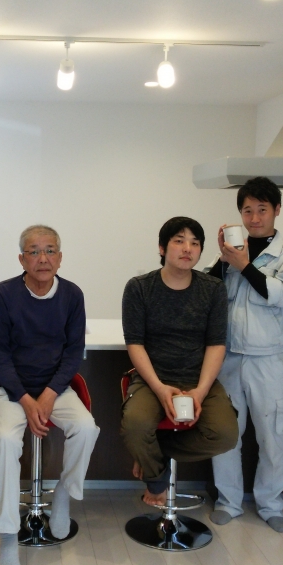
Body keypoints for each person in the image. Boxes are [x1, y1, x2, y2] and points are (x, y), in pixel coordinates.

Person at [0, 225, 100, 565]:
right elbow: (0, 357)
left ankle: (65, 493)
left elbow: (73, 353)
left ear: (60, 258)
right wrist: (26, 399)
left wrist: (49, 395)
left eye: (50, 250)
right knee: (6, 441)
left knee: (86, 428)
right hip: (13, 390)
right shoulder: (3, 293)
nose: (42, 258)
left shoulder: (72, 294)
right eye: (34, 251)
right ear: (22, 259)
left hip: (56, 389)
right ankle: (9, 535)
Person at [206, 177, 283, 533]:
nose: (254, 217)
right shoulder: (233, 251)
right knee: (226, 435)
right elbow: (209, 293)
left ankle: (271, 505)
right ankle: (228, 501)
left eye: (262, 209)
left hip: (269, 359)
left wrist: (244, 265)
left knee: (272, 437)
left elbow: (280, 294)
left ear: (276, 210)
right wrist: (224, 261)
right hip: (229, 357)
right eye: (247, 210)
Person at [121, 216, 238, 506]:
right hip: (153, 379)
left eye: (195, 243)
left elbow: (216, 344)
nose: (187, 248)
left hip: (198, 379)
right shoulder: (139, 287)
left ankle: (155, 451)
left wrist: (200, 391)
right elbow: (135, 344)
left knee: (225, 435)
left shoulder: (213, 289)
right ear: (162, 248)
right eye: (179, 241)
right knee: (136, 427)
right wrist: (159, 388)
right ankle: (157, 480)